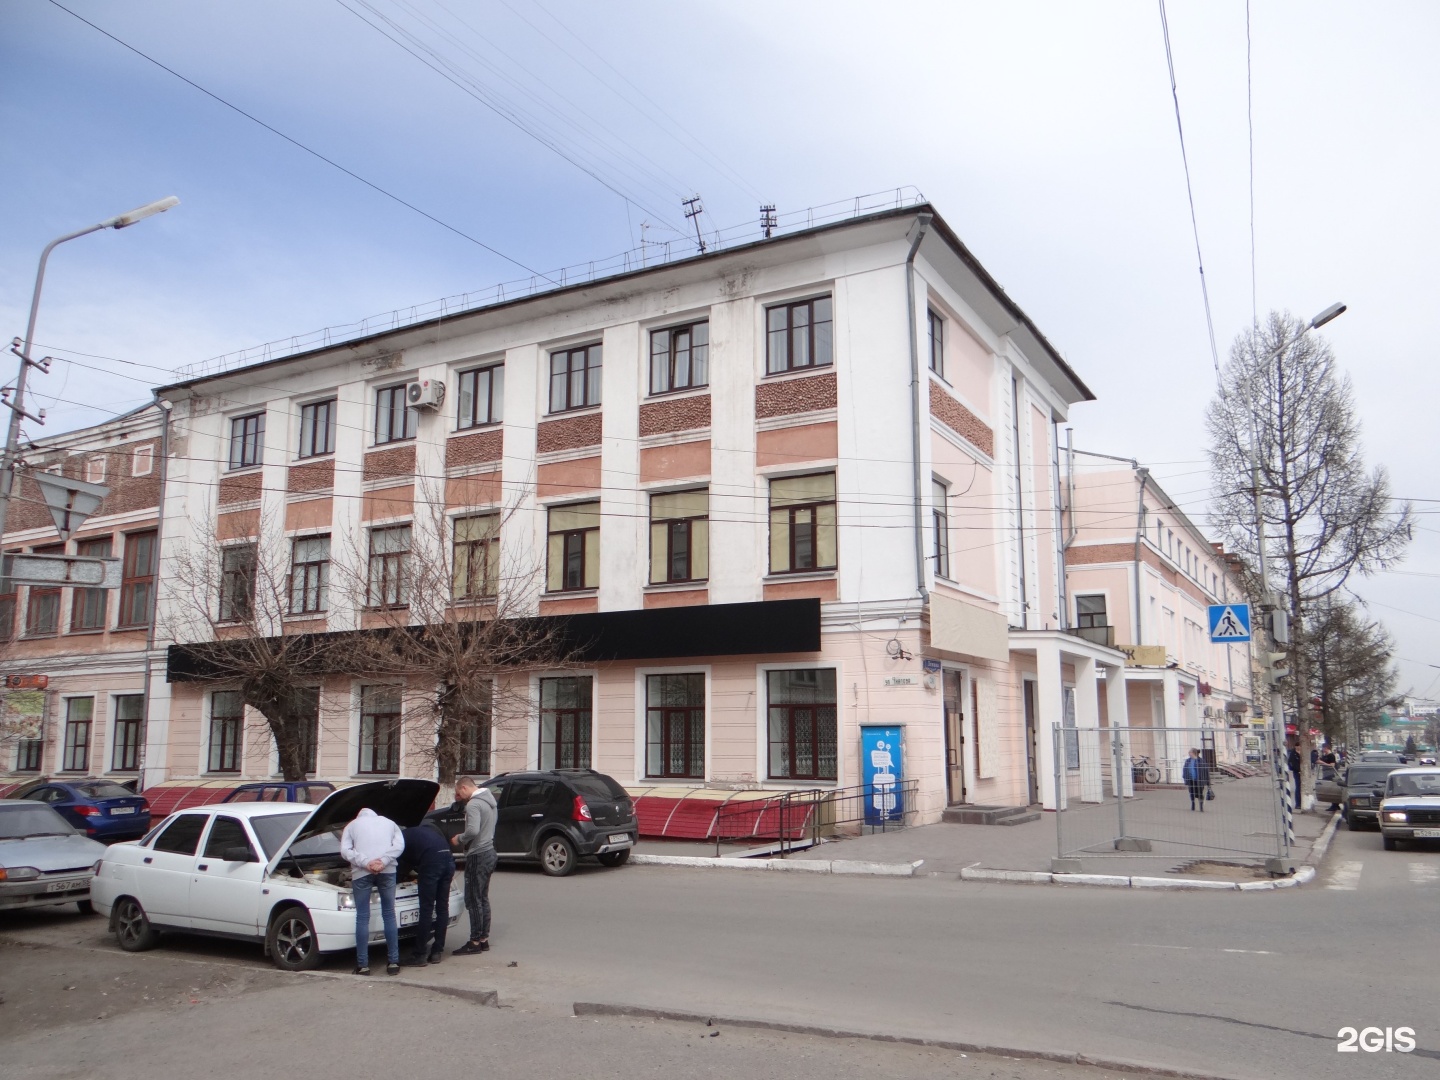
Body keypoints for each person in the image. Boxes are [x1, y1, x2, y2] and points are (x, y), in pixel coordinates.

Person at [340, 807, 405, 976]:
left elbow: (345, 851)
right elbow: (399, 845)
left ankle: (363, 966)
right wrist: (383, 861)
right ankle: (393, 962)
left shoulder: (352, 825)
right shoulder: (390, 823)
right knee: (389, 913)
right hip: (388, 870)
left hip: (361, 872)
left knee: (362, 916)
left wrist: (366, 862)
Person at [450, 775, 498, 957]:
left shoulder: (474, 805)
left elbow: (472, 830)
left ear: (463, 788)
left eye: (458, 793)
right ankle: (483, 939)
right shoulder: (491, 802)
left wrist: (459, 838)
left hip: (478, 854)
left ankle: (475, 941)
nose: (459, 797)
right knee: (483, 898)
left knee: (473, 899)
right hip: (490, 852)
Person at [398, 820, 455, 966]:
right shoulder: (420, 832)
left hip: (432, 864)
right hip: (448, 860)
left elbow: (401, 866)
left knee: (426, 908)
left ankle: (419, 955)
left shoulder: (398, 839)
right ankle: (437, 952)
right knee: (442, 907)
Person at [1286, 744, 1303, 813]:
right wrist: (1296, 770)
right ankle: (1298, 804)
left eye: (1300, 746)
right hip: (1296, 772)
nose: (1299, 747)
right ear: (1296, 747)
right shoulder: (1293, 754)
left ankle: (1303, 802)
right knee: (1298, 787)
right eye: (1298, 746)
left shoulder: (1303, 752)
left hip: (1303, 773)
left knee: (1302, 788)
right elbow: (1290, 763)